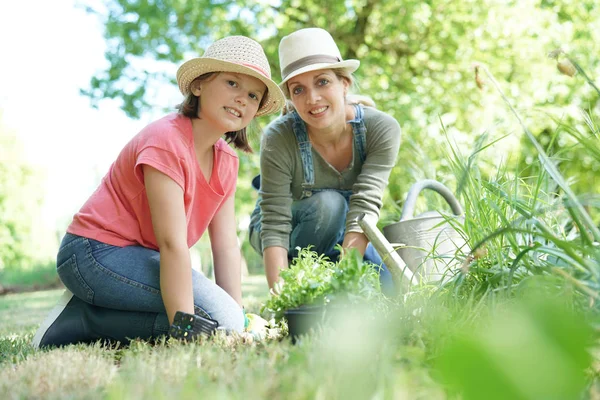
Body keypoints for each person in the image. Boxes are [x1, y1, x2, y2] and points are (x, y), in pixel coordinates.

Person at [33, 35, 285, 348]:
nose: (242, 99)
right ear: (198, 85)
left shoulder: (227, 160)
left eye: (253, 95)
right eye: (232, 83)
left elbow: (225, 247)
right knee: (215, 323)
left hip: (141, 257)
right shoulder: (166, 141)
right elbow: (172, 244)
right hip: (92, 254)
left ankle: (92, 314)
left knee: (227, 322)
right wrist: (187, 330)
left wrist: (238, 317)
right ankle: (85, 319)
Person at [248, 28, 401, 293]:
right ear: (291, 99)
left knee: (389, 290)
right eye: (299, 89)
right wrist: (282, 296)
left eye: (322, 82)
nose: (312, 99)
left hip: (343, 231)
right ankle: (305, 287)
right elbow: (275, 221)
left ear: (344, 83)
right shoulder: (279, 137)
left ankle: (330, 280)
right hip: (280, 228)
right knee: (329, 206)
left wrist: (348, 284)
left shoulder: (381, 129)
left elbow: (364, 208)